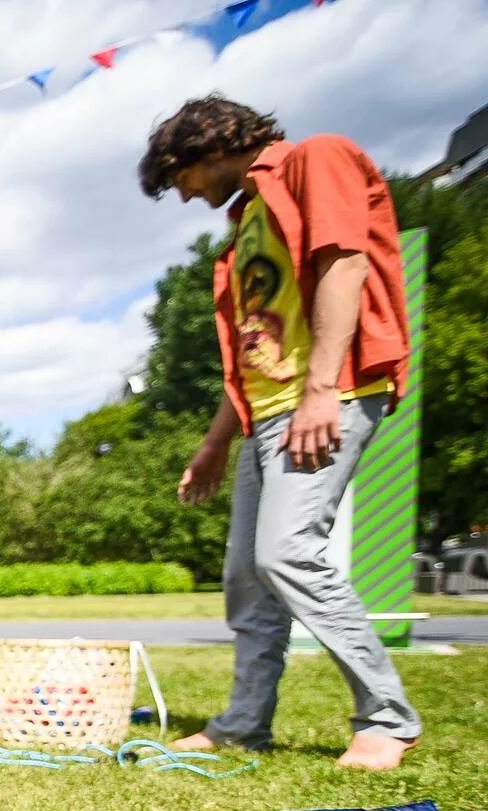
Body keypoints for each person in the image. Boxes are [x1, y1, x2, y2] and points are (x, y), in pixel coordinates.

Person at [140, 95, 420, 771]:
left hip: (331, 393)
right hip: (267, 412)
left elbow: (343, 265)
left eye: (179, 179)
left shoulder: (314, 160)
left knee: (287, 552)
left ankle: (387, 716)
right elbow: (252, 353)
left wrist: (321, 389)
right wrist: (214, 442)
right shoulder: (245, 226)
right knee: (246, 574)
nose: (184, 195)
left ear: (203, 148)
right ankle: (244, 722)